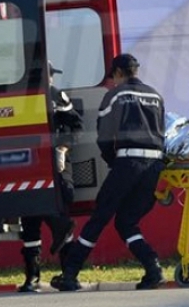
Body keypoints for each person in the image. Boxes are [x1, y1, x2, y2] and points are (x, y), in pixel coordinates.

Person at [51, 53, 167, 291]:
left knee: (99, 217)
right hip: (154, 165)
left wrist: (113, 161)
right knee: (126, 222)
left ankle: (70, 273)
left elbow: (104, 136)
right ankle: (153, 268)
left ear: (118, 73)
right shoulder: (155, 95)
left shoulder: (115, 95)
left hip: (128, 163)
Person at [16, 61, 82, 292]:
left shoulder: (56, 96)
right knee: (30, 223)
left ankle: (69, 275)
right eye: (49, 74)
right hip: (29, 165)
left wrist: (62, 148)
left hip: (57, 165)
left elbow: (75, 125)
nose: (51, 79)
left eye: (52, 75)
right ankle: (32, 277)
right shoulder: (21, 98)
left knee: (59, 213)